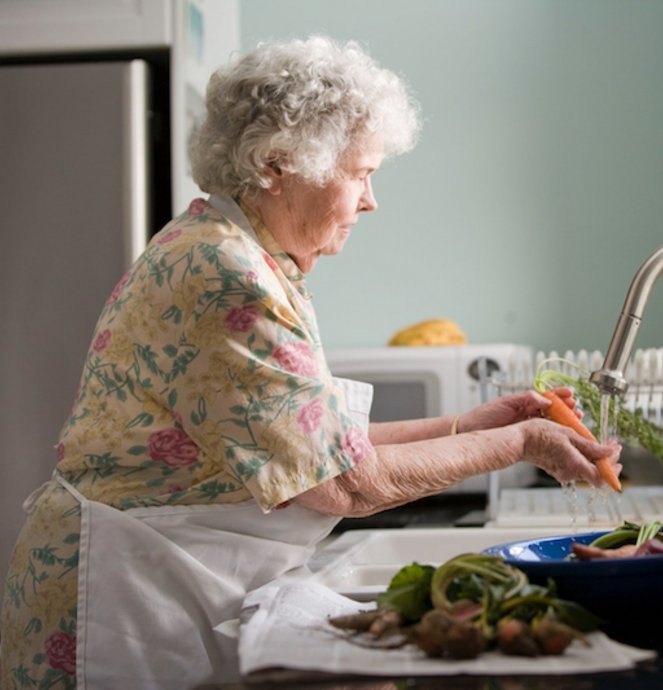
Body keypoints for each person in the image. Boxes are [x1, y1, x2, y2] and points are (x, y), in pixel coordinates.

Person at [0, 36, 620, 689]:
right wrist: (520, 441)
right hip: (121, 600)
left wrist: (471, 425)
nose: (371, 200)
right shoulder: (224, 276)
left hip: (162, 576)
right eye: (360, 174)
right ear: (278, 163)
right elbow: (344, 483)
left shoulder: (240, 256)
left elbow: (313, 447)